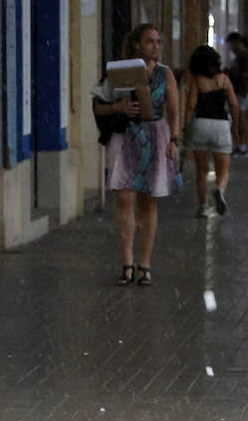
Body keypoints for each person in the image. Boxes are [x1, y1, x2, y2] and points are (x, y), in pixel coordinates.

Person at [92, 23, 180, 287]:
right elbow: (98, 106)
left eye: (158, 41)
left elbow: (174, 108)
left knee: (148, 202)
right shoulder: (120, 72)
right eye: (150, 41)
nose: (155, 46)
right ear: (137, 45)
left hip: (154, 137)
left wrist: (175, 138)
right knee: (123, 198)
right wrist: (118, 106)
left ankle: (146, 263)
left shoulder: (165, 74)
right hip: (125, 136)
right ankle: (127, 261)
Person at [183, 44, 240, 217]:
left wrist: (186, 128)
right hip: (221, 126)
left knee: (202, 169)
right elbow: (234, 105)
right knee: (223, 170)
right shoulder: (224, 79)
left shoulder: (197, 80)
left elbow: (192, 105)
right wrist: (235, 125)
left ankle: (203, 207)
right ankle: (220, 191)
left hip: (200, 124)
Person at [224, 31, 248, 154]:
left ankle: (242, 145)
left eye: (231, 44)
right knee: (239, 119)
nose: (230, 48)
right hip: (239, 91)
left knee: (240, 119)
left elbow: (246, 76)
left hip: (240, 92)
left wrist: (230, 73)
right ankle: (240, 145)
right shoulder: (241, 57)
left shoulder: (243, 57)